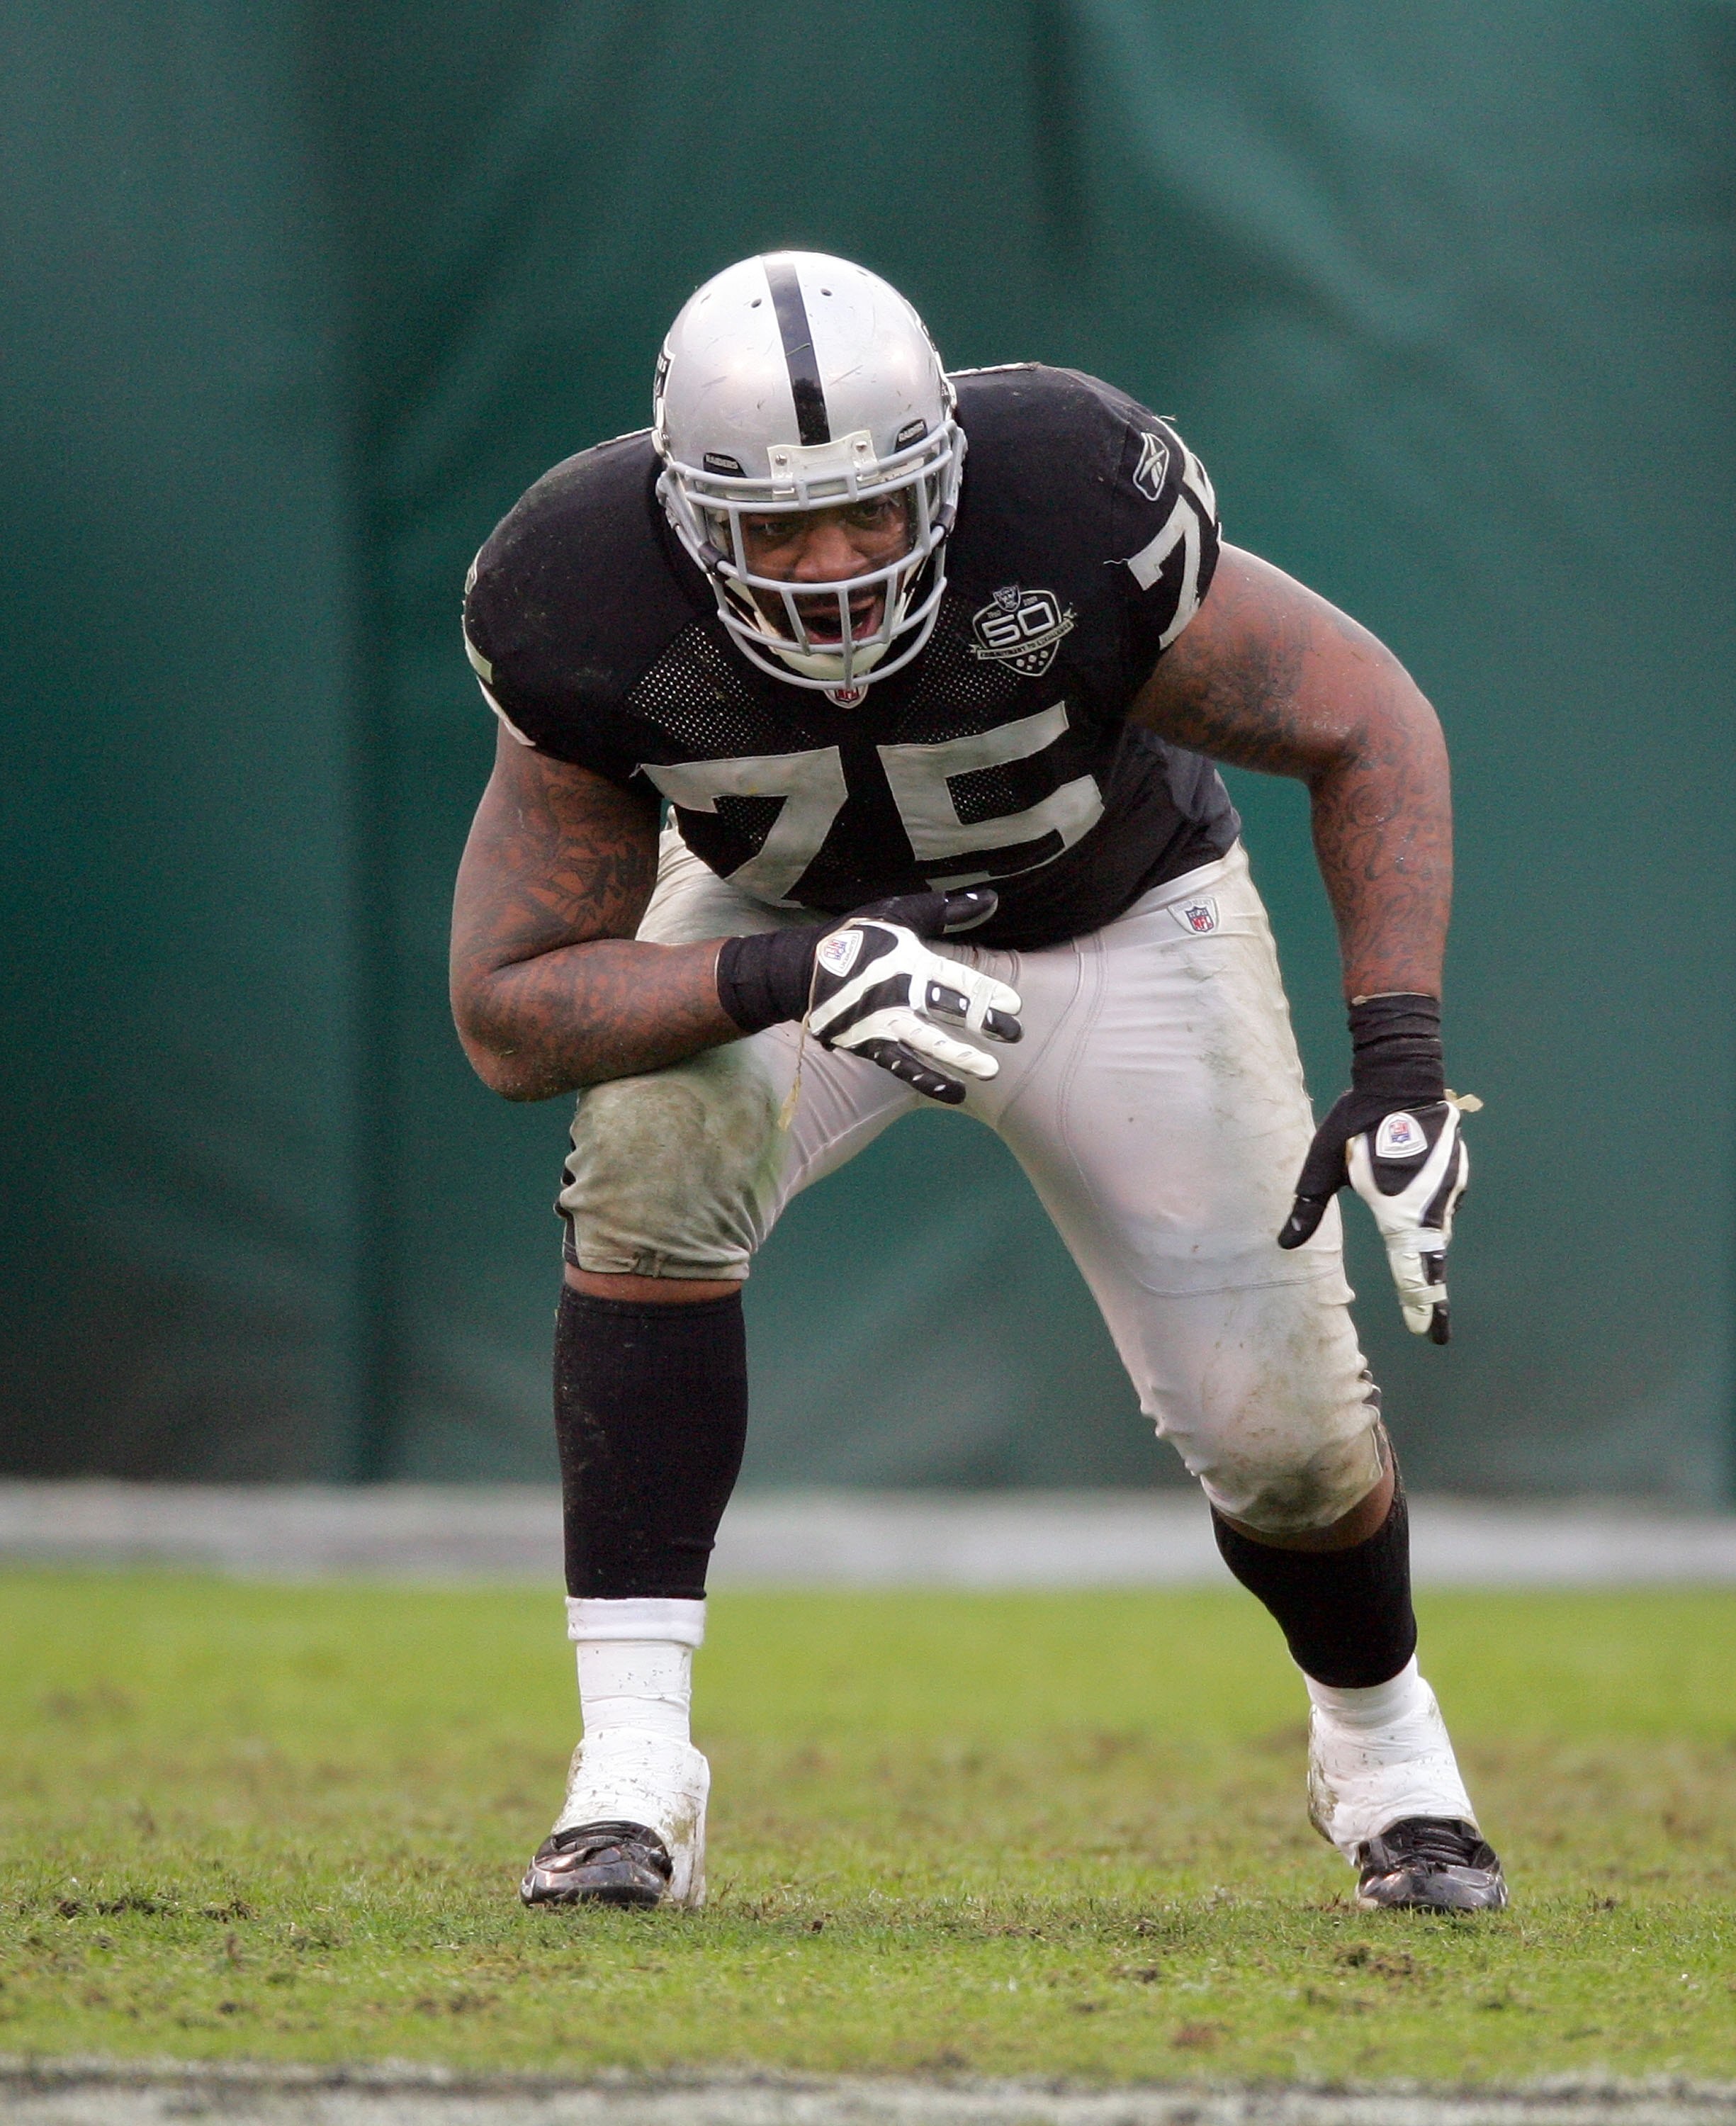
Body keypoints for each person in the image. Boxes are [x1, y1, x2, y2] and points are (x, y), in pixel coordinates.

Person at [452, 252, 1504, 1916]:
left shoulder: (1071, 498)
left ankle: (1385, 1752)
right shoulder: (579, 592)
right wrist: (784, 971)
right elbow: (506, 1012)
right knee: (653, 1145)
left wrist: (1399, 1058)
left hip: (1123, 925)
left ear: (943, 469)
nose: (835, 564)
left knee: (1287, 1439)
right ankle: (633, 1772)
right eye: (778, 529)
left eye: (873, 512)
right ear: (684, 520)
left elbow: (1367, 721)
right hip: (789, 930)